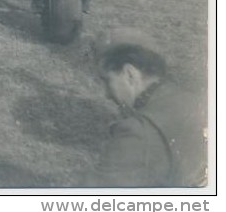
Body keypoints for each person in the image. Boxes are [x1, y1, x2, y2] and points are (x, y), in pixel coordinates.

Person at [85, 27, 207, 187]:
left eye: (107, 80)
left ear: (130, 74)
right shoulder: (199, 103)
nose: (107, 94)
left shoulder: (137, 133)